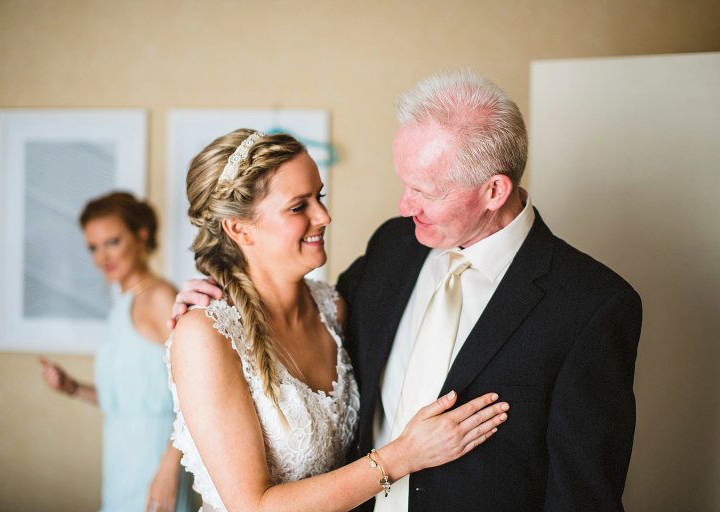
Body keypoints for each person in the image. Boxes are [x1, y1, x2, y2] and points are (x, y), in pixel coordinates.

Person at [174, 70, 643, 511]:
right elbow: (253, 346)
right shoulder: (395, 246)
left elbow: (583, 497)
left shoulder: (591, 306)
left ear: (494, 191)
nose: (404, 205)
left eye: (425, 190)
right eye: (405, 183)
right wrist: (218, 302)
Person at [166, 129, 510, 512]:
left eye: (320, 197)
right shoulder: (206, 334)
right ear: (239, 228)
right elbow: (253, 507)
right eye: (299, 206)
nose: (324, 216)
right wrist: (403, 456)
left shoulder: (335, 309)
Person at [39, 192, 194, 512]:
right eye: (93, 247)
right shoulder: (120, 306)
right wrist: (71, 387)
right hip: (122, 461)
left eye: (112, 242)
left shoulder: (160, 298)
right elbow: (127, 401)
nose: (101, 257)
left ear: (141, 235)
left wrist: (168, 470)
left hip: (157, 459)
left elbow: (197, 394)